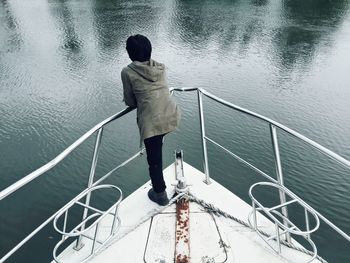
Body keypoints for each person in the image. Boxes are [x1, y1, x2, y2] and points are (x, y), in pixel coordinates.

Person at [121, 34, 180, 206]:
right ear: (149, 50)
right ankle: (159, 187)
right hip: (171, 114)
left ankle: (160, 194)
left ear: (130, 54)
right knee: (157, 147)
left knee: (153, 159)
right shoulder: (160, 67)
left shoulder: (127, 72)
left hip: (152, 122)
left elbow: (130, 101)